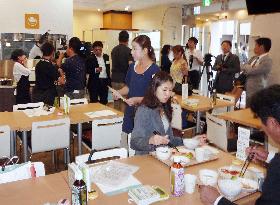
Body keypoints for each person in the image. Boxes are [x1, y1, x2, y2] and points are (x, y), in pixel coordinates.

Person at [199, 84, 280, 205]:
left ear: (272, 122)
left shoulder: (277, 170)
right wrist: (269, 157)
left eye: (261, 122)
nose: (262, 129)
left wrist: (217, 201)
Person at [112, 35, 160, 149]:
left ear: (145, 50)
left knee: (141, 147)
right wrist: (119, 92)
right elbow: (129, 87)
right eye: (131, 48)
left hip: (146, 115)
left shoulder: (154, 70)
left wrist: (137, 100)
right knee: (126, 145)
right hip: (130, 112)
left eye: (134, 49)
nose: (131, 52)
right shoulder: (132, 67)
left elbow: (156, 98)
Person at [131, 71, 183, 155]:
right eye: (164, 90)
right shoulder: (144, 110)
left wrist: (189, 141)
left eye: (170, 90)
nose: (168, 94)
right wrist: (150, 140)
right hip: (146, 158)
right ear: (154, 89)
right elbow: (134, 142)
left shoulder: (164, 107)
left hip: (163, 156)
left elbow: (169, 139)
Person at [241, 37, 272, 106]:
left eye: (255, 45)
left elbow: (252, 71)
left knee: (254, 113)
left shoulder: (267, 60)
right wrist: (249, 68)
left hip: (258, 91)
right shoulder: (254, 58)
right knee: (247, 112)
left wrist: (248, 68)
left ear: (261, 47)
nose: (254, 48)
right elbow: (243, 67)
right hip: (249, 90)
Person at [111, 30, 134, 111]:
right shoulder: (129, 51)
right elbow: (131, 66)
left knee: (116, 102)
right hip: (124, 80)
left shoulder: (114, 50)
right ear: (128, 40)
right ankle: (123, 122)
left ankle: (115, 122)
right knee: (124, 102)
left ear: (118, 39)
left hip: (114, 79)